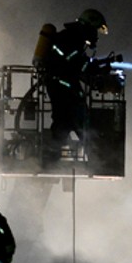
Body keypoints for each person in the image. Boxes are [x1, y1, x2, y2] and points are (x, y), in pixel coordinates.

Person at [38, 8, 111, 163]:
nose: (96, 36)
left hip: (61, 83)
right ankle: (96, 158)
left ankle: (53, 157)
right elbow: (78, 64)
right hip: (61, 84)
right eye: (95, 31)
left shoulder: (72, 38)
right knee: (74, 119)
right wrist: (97, 69)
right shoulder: (71, 38)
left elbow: (76, 64)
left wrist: (98, 67)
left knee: (66, 119)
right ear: (89, 27)